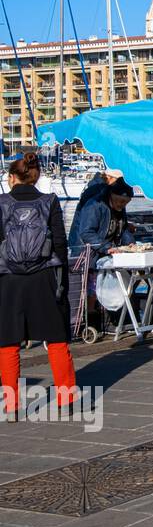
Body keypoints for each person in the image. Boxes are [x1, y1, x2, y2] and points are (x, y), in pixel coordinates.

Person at [0, 153, 76, 421]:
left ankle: (12, 405)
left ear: (12, 177)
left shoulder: (1, 203)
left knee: (8, 343)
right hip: (45, 276)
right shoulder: (49, 201)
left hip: (9, 280)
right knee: (56, 339)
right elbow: (60, 245)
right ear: (37, 176)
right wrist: (62, 283)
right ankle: (66, 398)